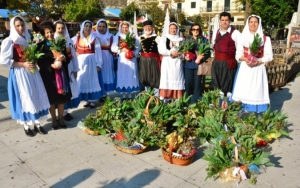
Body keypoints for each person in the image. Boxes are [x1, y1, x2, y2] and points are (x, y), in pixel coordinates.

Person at [0, 16, 50, 136]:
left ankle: (37, 124)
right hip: (19, 73)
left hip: (32, 72)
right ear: (13, 27)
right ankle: (26, 125)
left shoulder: (28, 38)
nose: (20, 28)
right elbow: (3, 60)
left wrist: (34, 61)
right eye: (17, 25)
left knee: (35, 95)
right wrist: (23, 64)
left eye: (22, 25)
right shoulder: (10, 41)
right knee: (25, 97)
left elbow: (33, 54)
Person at [232, 15, 273, 113]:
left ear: (259, 24)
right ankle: (241, 114)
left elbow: (269, 56)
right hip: (245, 69)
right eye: (251, 22)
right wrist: (246, 59)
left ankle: (256, 115)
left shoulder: (265, 39)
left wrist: (258, 61)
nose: (253, 24)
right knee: (244, 90)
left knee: (256, 92)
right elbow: (238, 55)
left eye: (255, 22)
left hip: (258, 69)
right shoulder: (242, 38)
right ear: (248, 23)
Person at [37, 20, 72, 130]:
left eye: (51, 32)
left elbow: (67, 58)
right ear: (43, 34)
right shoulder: (40, 46)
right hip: (48, 76)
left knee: (61, 98)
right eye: (47, 33)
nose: (50, 34)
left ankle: (61, 118)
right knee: (52, 99)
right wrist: (51, 65)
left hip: (61, 75)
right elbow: (40, 62)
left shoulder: (60, 42)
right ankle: (54, 120)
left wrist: (63, 59)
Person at [54, 21, 80, 121]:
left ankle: (66, 111)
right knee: (60, 88)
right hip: (58, 67)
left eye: (62, 28)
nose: (61, 30)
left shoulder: (68, 40)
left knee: (69, 88)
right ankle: (60, 112)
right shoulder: (53, 40)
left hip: (69, 67)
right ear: (55, 29)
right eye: (59, 28)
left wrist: (76, 69)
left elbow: (73, 55)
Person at [211, 12, 241, 99]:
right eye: (222, 20)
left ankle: (226, 108)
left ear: (230, 21)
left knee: (227, 88)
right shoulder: (216, 32)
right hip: (217, 63)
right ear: (220, 21)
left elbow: (240, 49)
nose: (224, 22)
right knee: (216, 86)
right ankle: (217, 108)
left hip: (228, 64)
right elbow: (213, 46)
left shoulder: (235, 33)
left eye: (226, 20)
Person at [74, 20, 103, 108]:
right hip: (80, 62)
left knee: (91, 79)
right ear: (83, 27)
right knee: (82, 79)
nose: (88, 28)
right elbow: (70, 46)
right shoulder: (77, 38)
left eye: (90, 26)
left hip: (91, 61)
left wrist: (99, 64)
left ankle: (92, 100)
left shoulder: (94, 38)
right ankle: (86, 100)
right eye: (86, 26)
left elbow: (98, 52)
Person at [111, 21, 140, 100]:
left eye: (126, 27)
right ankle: (123, 95)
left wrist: (134, 53)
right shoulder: (117, 36)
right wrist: (121, 50)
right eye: (123, 27)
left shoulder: (134, 36)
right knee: (123, 74)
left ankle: (130, 94)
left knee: (131, 74)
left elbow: (138, 47)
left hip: (132, 59)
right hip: (122, 59)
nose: (125, 29)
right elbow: (113, 48)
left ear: (129, 28)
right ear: (121, 28)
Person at [184, 23, 211, 104]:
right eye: (194, 29)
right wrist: (185, 56)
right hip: (189, 65)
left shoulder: (204, 40)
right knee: (188, 84)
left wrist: (201, 57)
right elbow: (183, 50)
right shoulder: (187, 39)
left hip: (199, 66)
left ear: (200, 30)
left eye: (197, 29)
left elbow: (208, 53)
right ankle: (187, 101)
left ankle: (195, 102)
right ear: (191, 30)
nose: (195, 31)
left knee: (197, 84)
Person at [158, 22, 185, 102]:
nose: (173, 30)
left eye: (174, 28)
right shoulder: (164, 38)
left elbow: (185, 51)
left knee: (177, 78)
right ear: (168, 29)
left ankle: (177, 98)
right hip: (167, 62)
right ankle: (166, 99)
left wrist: (180, 53)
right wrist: (170, 52)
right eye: (171, 28)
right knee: (167, 78)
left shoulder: (181, 40)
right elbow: (161, 50)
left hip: (177, 62)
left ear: (177, 29)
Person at [138, 20, 160, 96]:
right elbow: (137, 49)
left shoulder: (157, 38)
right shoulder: (140, 38)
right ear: (144, 28)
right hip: (143, 60)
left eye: (149, 26)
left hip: (154, 60)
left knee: (155, 77)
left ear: (152, 27)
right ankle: (147, 96)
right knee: (145, 77)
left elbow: (161, 50)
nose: (148, 28)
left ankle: (156, 96)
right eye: (146, 27)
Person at [94, 19, 115, 96]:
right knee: (98, 74)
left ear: (106, 28)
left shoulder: (111, 36)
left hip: (107, 58)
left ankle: (105, 93)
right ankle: (98, 93)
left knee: (106, 74)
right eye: (99, 26)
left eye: (103, 26)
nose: (101, 28)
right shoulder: (93, 36)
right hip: (97, 57)